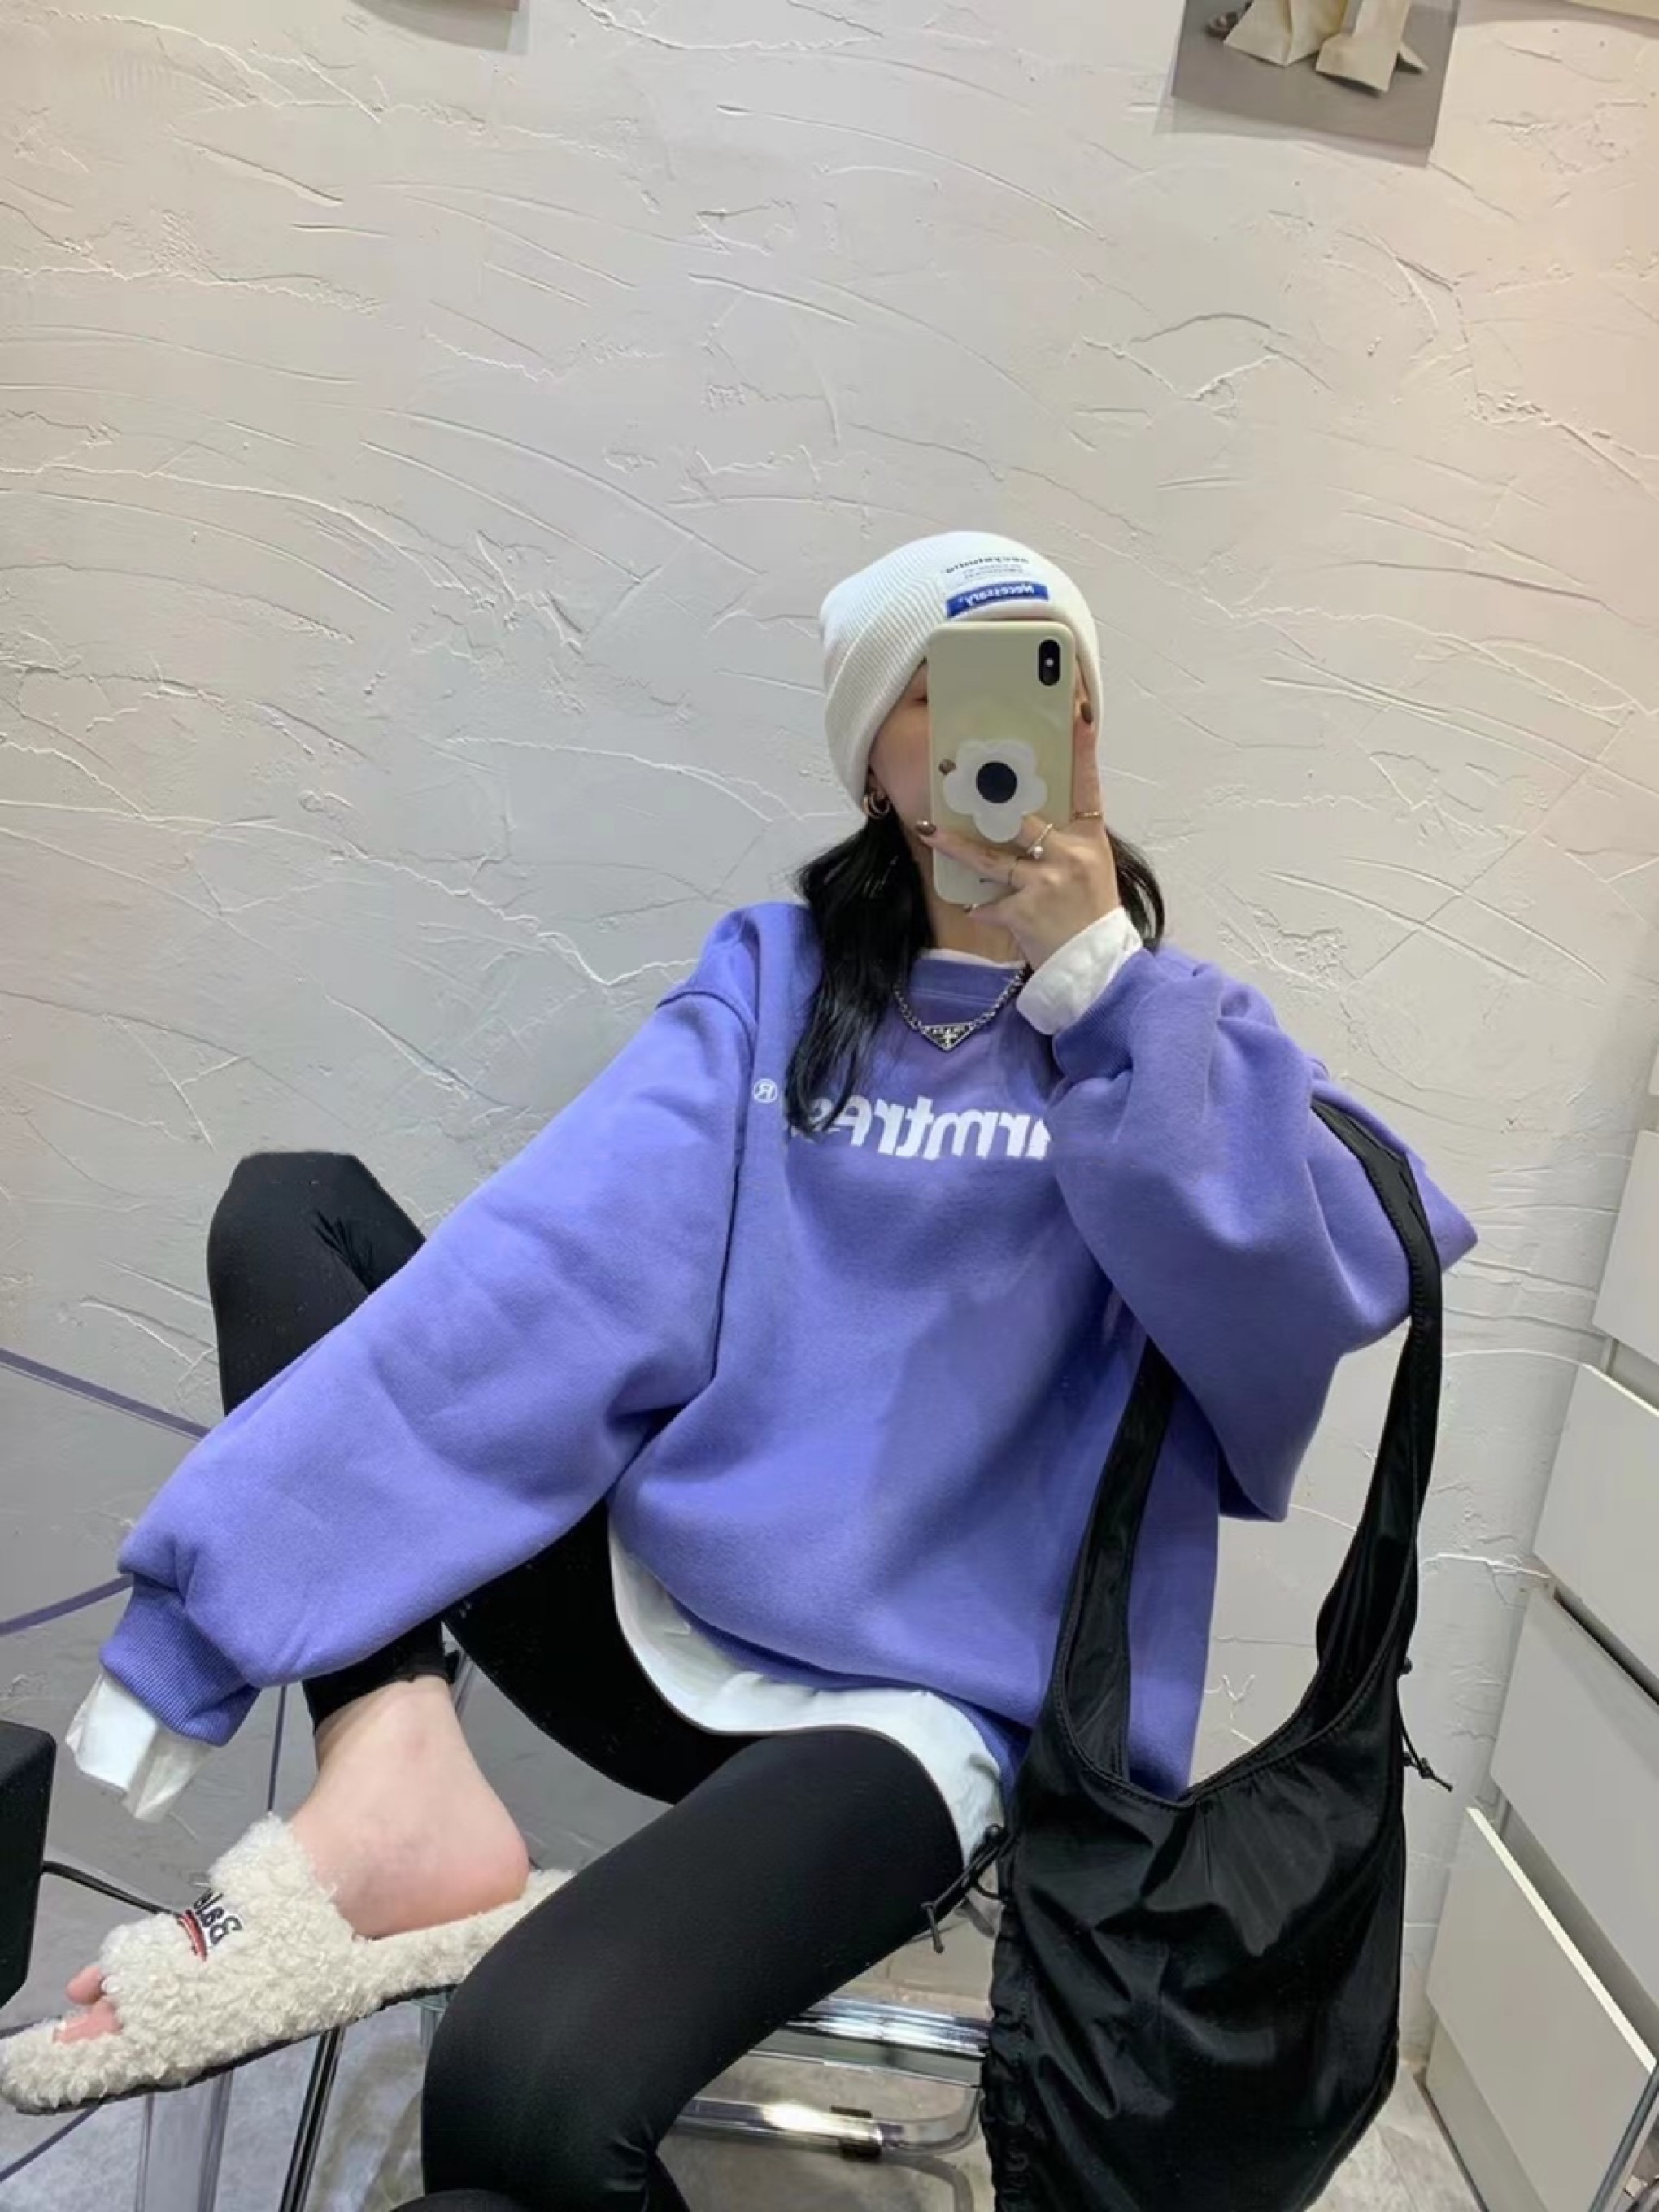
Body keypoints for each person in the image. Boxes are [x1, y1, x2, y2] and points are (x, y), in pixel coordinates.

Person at [7, 531, 1477, 2209]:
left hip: (911, 1719)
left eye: (1049, 680)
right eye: (950, 688)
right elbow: (548, 1275)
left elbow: (1304, 1294)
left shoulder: (1177, 1035)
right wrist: (217, 1591)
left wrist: (1098, 999)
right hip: (653, 1619)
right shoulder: (776, 985)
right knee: (297, 1213)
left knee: (514, 2094)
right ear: (875, 759)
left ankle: (435, 1841)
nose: (1012, 727)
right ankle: (396, 1775)